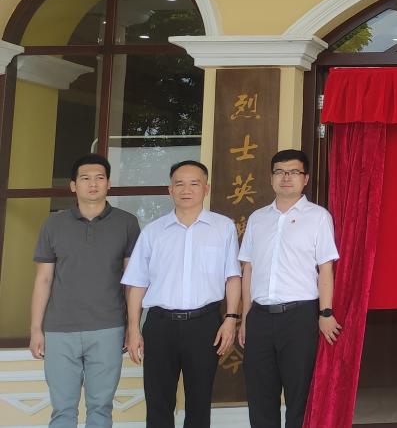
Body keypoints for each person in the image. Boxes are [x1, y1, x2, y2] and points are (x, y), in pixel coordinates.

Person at [121, 160, 242, 428]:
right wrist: (133, 328)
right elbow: (137, 283)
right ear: (170, 189)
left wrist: (231, 319)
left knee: (199, 402)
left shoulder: (223, 227)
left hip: (205, 325)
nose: (186, 190)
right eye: (179, 184)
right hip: (160, 325)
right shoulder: (153, 232)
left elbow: (233, 277)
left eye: (194, 183)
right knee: (158, 401)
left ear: (206, 188)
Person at [29, 153, 140, 428]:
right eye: (85, 178)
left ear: (109, 183)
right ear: (73, 185)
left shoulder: (127, 223)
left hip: (109, 327)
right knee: (62, 410)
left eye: (99, 178)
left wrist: (133, 326)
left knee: (100, 409)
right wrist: (36, 329)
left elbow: (133, 281)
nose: (93, 184)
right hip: (59, 329)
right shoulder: (53, 224)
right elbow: (43, 279)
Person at [238, 149, 340, 428]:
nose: (286, 177)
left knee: (299, 396)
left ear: (305, 179)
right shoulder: (257, 218)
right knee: (260, 395)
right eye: (280, 172)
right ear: (271, 178)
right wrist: (246, 317)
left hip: (300, 317)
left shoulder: (318, 217)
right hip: (260, 317)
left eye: (294, 172)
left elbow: (326, 269)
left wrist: (326, 312)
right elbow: (248, 269)